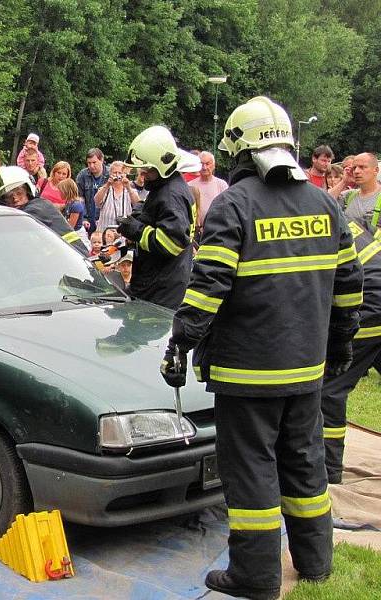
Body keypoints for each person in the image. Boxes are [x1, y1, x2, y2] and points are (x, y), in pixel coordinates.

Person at [162, 96, 362, 600]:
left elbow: (207, 286)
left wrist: (180, 342)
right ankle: (316, 563)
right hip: (307, 369)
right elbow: (349, 288)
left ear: (240, 148)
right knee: (304, 460)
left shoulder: (236, 204)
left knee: (251, 468)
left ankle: (254, 575)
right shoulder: (325, 204)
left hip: (247, 372)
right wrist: (339, 346)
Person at [320, 211, 381, 484]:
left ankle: (327, 468)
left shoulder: (313, 226)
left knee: (330, 387)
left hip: (368, 306)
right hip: (376, 296)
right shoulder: (335, 215)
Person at [117, 125, 194, 309]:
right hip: (159, 281)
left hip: (161, 290)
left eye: (147, 170)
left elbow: (171, 242)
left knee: (145, 334)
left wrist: (136, 230)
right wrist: (141, 214)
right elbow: (161, 218)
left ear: (162, 166)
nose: (143, 175)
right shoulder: (167, 187)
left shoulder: (171, 195)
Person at [0, 165, 87, 254]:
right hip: (71, 259)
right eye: (8, 197)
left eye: (19, 193)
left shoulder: (32, 210)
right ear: (1, 201)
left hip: (73, 260)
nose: (15, 199)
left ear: (28, 191)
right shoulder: (40, 204)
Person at [93, 160, 140, 232]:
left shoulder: (130, 190)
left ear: (125, 174)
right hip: (104, 232)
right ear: (110, 174)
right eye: (115, 172)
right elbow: (96, 201)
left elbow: (137, 205)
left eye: (120, 173)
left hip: (124, 233)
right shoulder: (105, 189)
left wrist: (128, 187)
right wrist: (108, 184)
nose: (117, 175)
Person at [189, 150, 228, 231]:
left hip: (216, 230)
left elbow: (227, 210)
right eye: (201, 164)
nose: (204, 167)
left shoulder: (222, 185)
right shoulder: (190, 185)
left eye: (207, 164)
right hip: (195, 231)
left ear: (213, 165)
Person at [341, 153, 381, 230]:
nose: (356, 171)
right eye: (354, 168)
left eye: (362, 167)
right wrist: (344, 182)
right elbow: (323, 203)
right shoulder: (348, 195)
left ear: (376, 170)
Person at [76, 148, 108, 234]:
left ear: (101, 160)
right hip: (88, 219)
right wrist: (83, 218)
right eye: (89, 163)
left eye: (94, 162)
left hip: (104, 220)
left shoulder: (110, 175)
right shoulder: (82, 175)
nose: (91, 166)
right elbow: (79, 198)